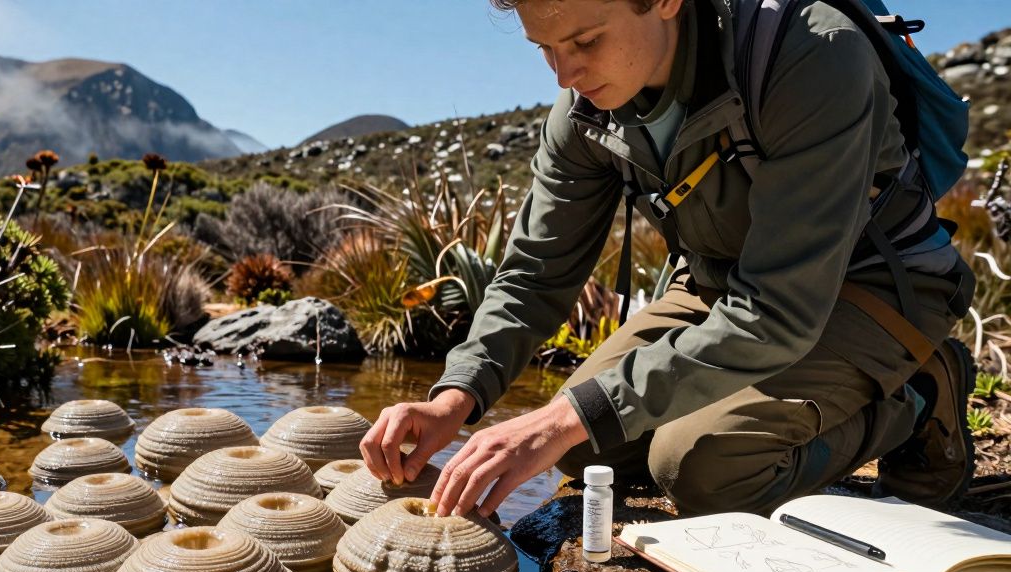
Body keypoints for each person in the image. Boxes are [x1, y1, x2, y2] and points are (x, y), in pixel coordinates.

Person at [360, 0, 976, 519]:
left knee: (701, 469)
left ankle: (918, 397)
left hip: (871, 287)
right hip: (720, 286)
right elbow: (534, 274)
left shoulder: (814, 56)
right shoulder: (583, 111)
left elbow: (779, 311)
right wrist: (455, 397)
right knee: (581, 448)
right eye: (543, 48)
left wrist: (568, 416)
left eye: (585, 40)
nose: (564, 74)